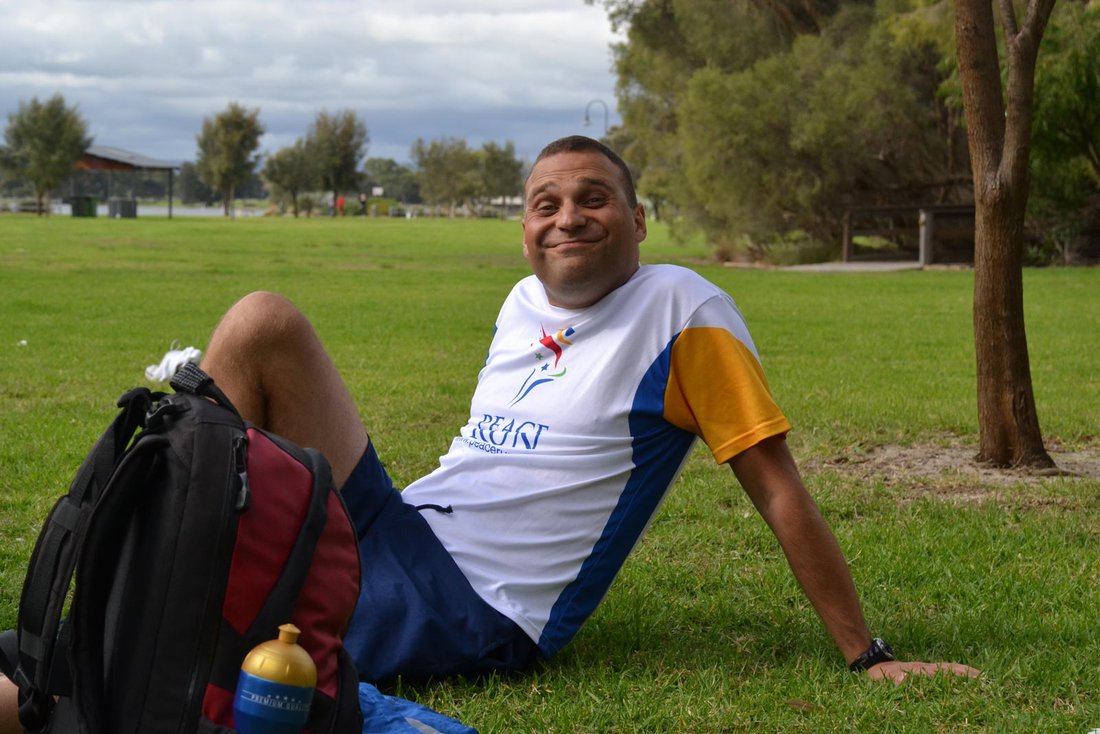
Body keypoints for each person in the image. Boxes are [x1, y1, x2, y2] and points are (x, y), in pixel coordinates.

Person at [0, 136, 977, 732]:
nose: (566, 217)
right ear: (523, 228)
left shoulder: (682, 312)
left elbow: (776, 486)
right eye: (545, 203)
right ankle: (171, 557)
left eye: (592, 198)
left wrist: (866, 653)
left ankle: (91, 657)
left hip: (472, 599)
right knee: (262, 322)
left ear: (639, 219)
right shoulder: (520, 301)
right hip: (401, 524)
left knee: (166, 645)